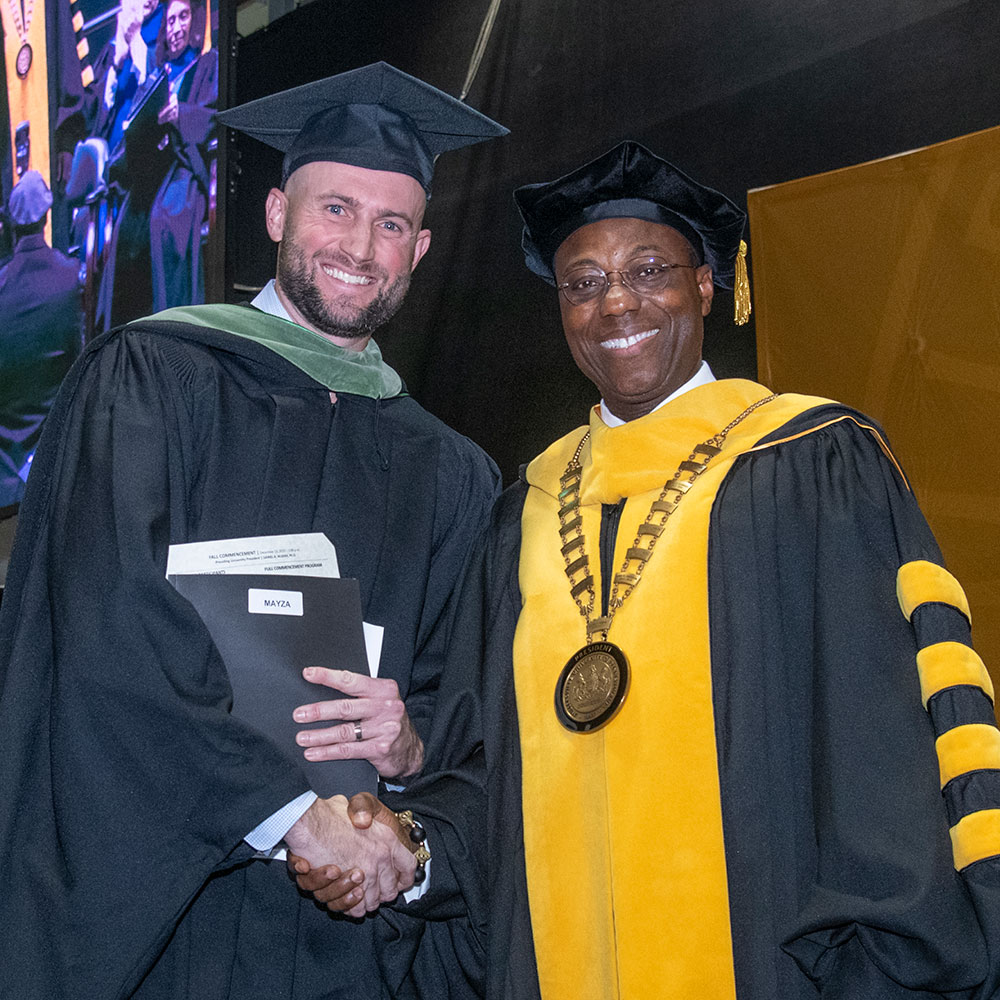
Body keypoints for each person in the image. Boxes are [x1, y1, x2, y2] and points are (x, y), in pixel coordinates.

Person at [302, 141, 1000, 997]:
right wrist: (412, 805)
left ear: (706, 285)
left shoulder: (811, 464)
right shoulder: (525, 510)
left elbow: (879, 749)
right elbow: (489, 769)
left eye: (649, 270)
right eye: (583, 284)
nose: (616, 303)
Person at [0, 62, 506, 999]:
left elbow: (470, 698)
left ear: (423, 247)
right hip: (165, 921)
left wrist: (411, 748)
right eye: (336, 209)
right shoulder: (151, 380)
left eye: (392, 224)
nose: (361, 244)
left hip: (351, 947)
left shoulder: (451, 473)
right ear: (277, 214)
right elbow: (109, 623)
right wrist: (282, 812)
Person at [0, 170, 82, 507]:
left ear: (12, 224)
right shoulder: (69, 276)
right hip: (57, 457)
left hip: (6, 463)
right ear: (47, 216)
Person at [148, 0, 217, 311]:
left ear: (196, 20)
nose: (175, 28)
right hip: (158, 169)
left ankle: (178, 315)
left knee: (165, 217)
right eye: (170, 21)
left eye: (183, 17)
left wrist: (182, 114)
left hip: (190, 168)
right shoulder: (158, 76)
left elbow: (216, 116)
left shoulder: (209, 63)